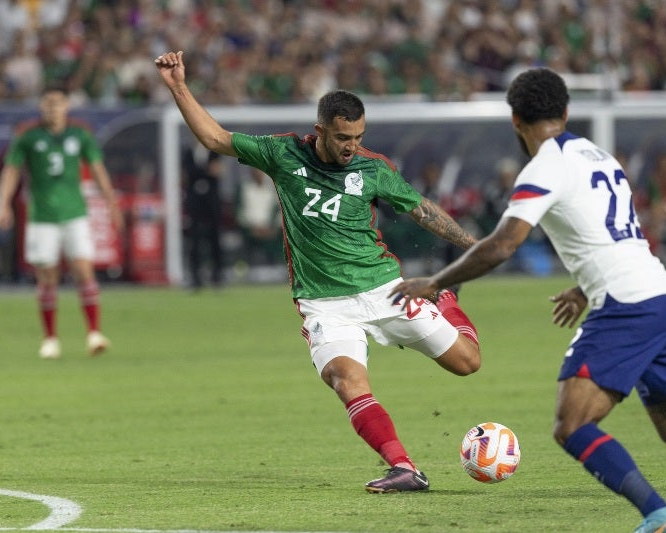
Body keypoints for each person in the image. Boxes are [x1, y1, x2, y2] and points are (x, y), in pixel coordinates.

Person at [390, 68, 666, 533]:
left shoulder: (545, 166)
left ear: (516, 120)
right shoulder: (602, 157)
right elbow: (619, 237)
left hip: (627, 306)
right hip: (664, 298)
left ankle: (662, 520)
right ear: (564, 112)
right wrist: (584, 286)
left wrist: (435, 283)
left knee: (572, 424)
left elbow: (503, 245)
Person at [155, 50, 481, 493]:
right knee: (346, 380)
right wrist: (178, 87)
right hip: (326, 303)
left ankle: (446, 300)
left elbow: (422, 210)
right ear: (321, 129)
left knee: (467, 363)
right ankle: (404, 467)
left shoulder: (373, 168)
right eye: (344, 136)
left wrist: (475, 248)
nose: (351, 146)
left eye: (358, 136)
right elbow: (215, 138)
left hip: (386, 288)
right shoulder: (282, 153)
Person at [0, 86, 124, 360]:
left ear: (67, 105)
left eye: (57, 102)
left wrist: (111, 202)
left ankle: (94, 333)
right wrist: (3, 203)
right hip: (42, 217)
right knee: (47, 277)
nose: (52, 108)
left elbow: (98, 169)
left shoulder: (80, 134)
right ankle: (50, 339)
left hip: (74, 213)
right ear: (41, 105)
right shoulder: (27, 136)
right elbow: (12, 169)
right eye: (47, 102)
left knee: (83, 271)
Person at [182, 143, 224, 289]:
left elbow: (217, 171)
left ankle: (217, 275)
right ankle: (195, 276)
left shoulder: (214, 152)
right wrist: (205, 171)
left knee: (214, 239)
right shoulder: (188, 151)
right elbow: (188, 173)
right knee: (194, 240)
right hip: (194, 203)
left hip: (211, 202)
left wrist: (198, 172)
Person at [234, 166, 282, 266]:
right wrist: (252, 227)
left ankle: (278, 269)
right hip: (250, 230)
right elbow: (239, 212)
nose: (259, 174)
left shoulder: (272, 189)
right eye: (256, 171)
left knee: (281, 239)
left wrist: (273, 228)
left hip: (270, 229)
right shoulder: (244, 188)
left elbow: (279, 210)